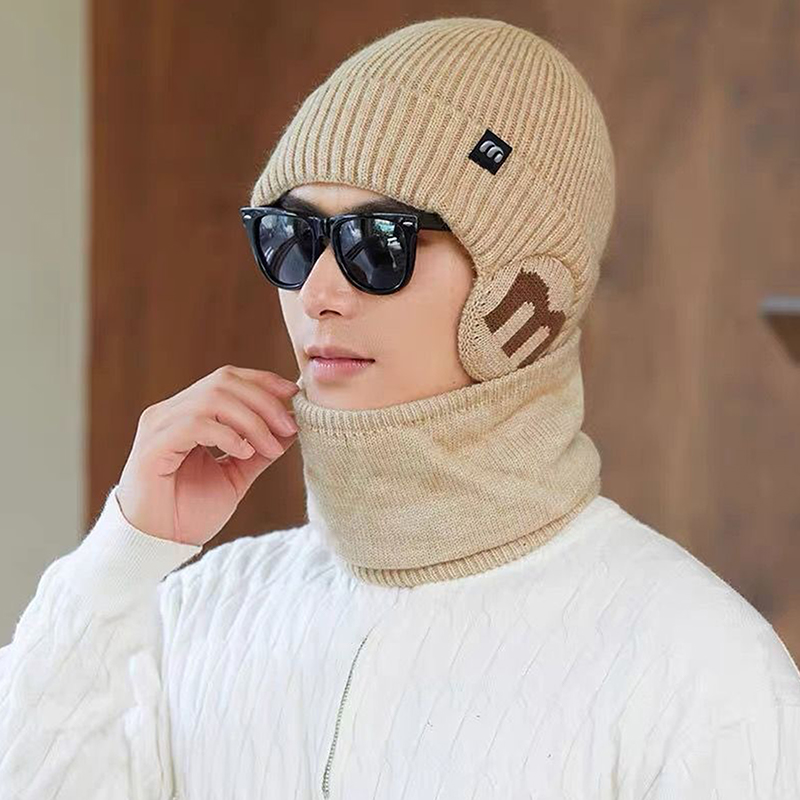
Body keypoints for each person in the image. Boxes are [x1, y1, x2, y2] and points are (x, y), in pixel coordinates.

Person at [2, 16, 799, 799]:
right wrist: (122, 555)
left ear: (526, 296)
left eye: (378, 243)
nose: (317, 292)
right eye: (290, 236)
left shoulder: (693, 668)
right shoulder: (195, 616)